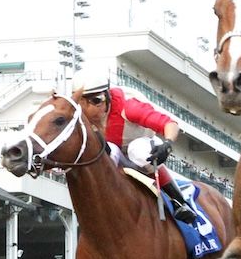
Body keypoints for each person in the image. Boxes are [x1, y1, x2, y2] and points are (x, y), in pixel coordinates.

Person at [69, 68, 197, 225]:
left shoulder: (128, 107)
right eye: (82, 104)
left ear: (106, 96)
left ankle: (179, 201)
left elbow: (170, 124)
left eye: (96, 101)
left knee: (136, 150)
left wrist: (168, 144)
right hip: (114, 155)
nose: (90, 111)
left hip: (144, 148)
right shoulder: (81, 118)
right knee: (109, 149)